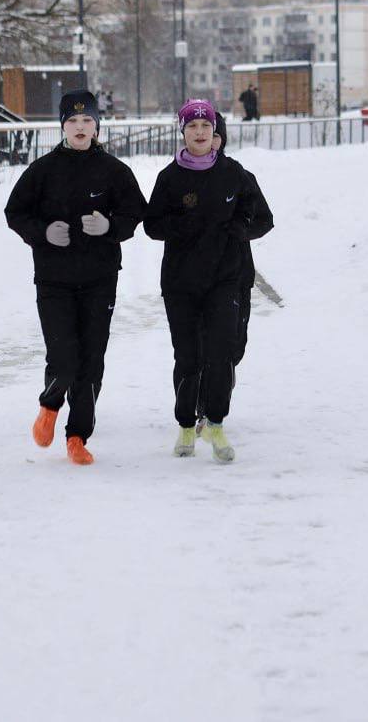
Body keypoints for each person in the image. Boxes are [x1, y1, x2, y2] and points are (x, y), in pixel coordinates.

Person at [4, 89, 147, 465]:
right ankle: (50, 406)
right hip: (54, 280)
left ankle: (78, 436)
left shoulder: (115, 171)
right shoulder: (42, 171)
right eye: (73, 121)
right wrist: (43, 233)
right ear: (63, 127)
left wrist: (110, 226)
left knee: (92, 361)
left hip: (100, 279)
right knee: (65, 358)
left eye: (87, 121)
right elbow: (15, 212)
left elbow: (136, 213)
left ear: (97, 127)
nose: (80, 127)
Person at [144, 100, 273, 463]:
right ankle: (187, 424)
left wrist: (240, 229)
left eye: (206, 126)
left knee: (220, 355)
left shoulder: (235, 174)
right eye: (192, 126)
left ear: (215, 132)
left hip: (225, 279)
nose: (199, 133)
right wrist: (179, 227)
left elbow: (264, 218)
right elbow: (152, 224)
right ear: (182, 132)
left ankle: (215, 423)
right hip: (181, 283)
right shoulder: (169, 178)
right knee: (188, 357)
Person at [212, 114, 273, 367]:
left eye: (215, 135)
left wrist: (241, 231)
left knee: (234, 345)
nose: (208, 139)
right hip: (195, 277)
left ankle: (222, 382)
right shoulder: (178, 176)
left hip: (237, 273)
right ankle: (203, 395)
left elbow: (264, 219)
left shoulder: (240, 176)